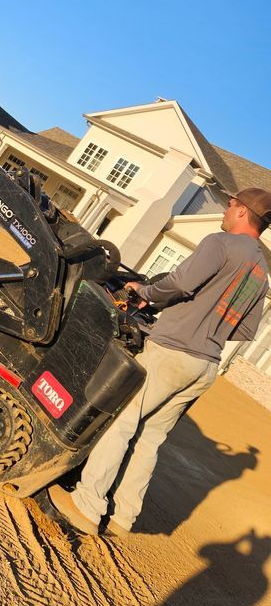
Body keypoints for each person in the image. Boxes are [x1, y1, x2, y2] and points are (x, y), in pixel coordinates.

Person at [49, 187, 271, 538]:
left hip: (172, 351)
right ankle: (124, 516)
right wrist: (206, 326)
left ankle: (87, 506)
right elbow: (244, 329)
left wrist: (145, 292)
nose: (225, 210)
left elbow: (181, 283)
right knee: (150, 436)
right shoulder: (261, 269)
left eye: (230, 204)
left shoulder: (221, 243)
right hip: (205, 365)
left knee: (122, 419)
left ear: (243, 211)